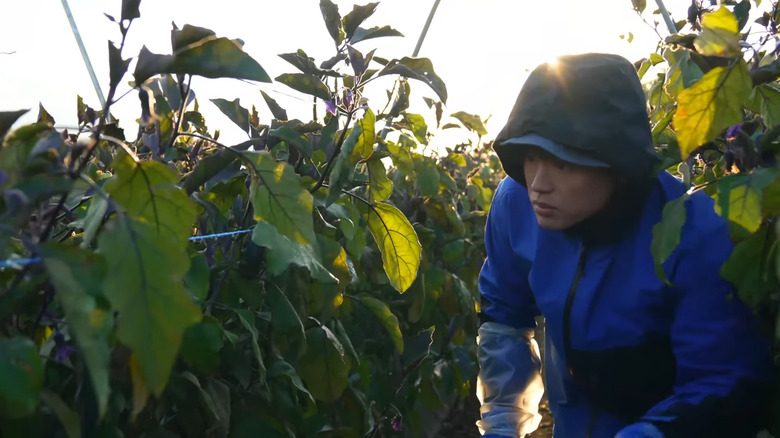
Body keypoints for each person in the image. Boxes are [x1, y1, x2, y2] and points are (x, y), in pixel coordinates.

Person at [475, 53, 774, 438]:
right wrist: (502, 421)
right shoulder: (516, 205)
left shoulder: (692, 231)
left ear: (615, 162)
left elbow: (719, 380)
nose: (538, 183)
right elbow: (504, 317)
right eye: (530, 157)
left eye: (562, 164)